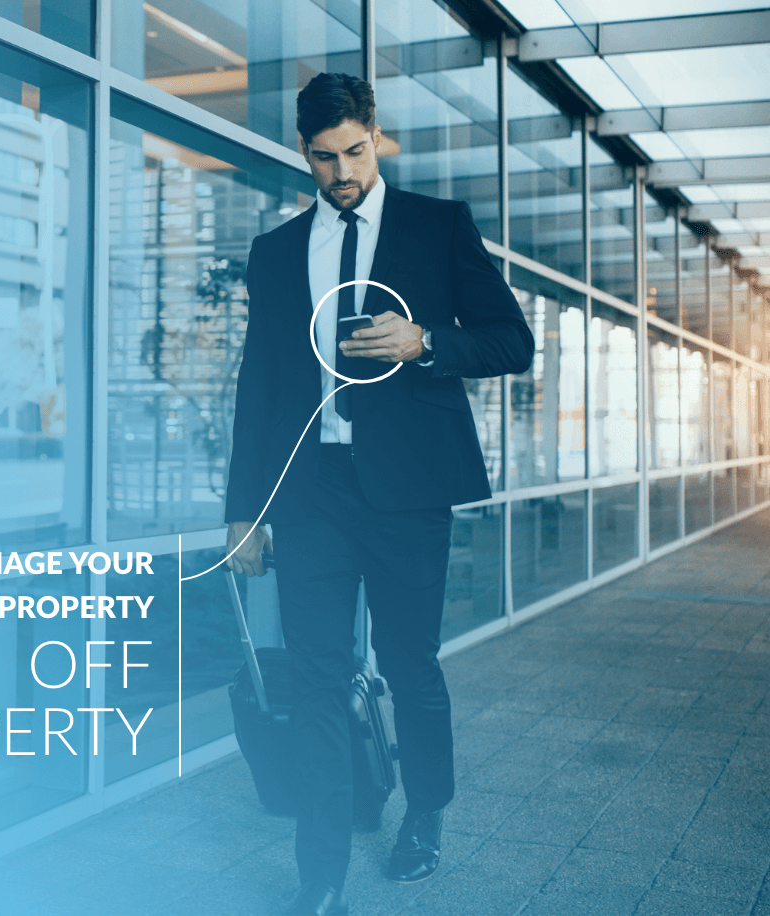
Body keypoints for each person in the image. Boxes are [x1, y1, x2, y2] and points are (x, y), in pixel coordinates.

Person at [224, 73, 534, 916]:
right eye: (323, 158)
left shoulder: (438, 229)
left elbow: (514, 340)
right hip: (312, 492)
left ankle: (425, 813)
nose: (340, 173)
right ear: (303, 152)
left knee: (408, 662)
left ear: (377, 135)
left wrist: (425, 339)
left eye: (353, 152)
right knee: (319, 677)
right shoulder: (278, 252)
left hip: (406, 492)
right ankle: (320, 871)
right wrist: (244, 507)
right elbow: (259, 384)